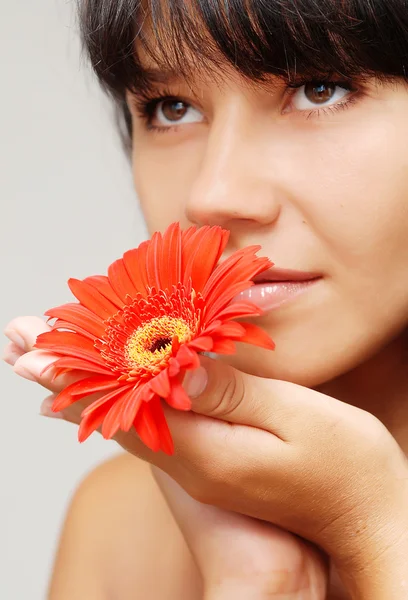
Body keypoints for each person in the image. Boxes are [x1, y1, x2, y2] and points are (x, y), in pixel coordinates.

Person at [3, 0, 408, 597]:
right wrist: (265, 583)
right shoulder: (120, 528)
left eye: (320, 89)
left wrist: (373, 525)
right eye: (173, 108)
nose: (214, 195)